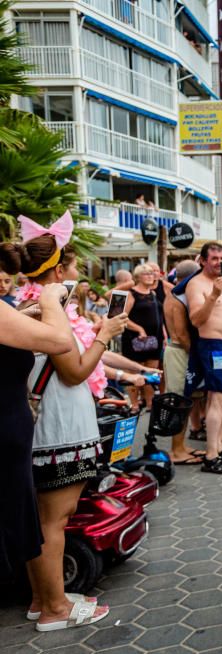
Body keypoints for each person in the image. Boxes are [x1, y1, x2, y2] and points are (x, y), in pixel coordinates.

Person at [8, 214, 130, 630]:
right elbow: (74, 371)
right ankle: (55, 609)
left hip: (51, 423)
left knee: (44, 518)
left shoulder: (29, 305)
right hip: (59, 428)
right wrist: (104, 334)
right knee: (53, 520)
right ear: (58, 270)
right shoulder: (48, 307)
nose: (79, 273)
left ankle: (44, 598)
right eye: (74, 265)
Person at [0, 232, 76, 621]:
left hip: (12, 428)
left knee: (21, 520)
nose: (2, 279)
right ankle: (51, 605)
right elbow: (61, 342)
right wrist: (49, 300)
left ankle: (42, 602)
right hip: (5, 430)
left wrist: (30, 312)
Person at [181, 242, 222, 474]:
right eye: (214, 259)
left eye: (221, 258)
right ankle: (211, 455)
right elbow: (197, 319)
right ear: (203, 261)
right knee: (220, 400)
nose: (219, 262)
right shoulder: (197, 285)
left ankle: (217, 446)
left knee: (219, 400)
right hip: (213, 346)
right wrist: (215, 294)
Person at [163, 260, 204, 464]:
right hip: (179, 352)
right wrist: (196, 356)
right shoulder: (177, 297)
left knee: (186, 401)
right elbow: (181, 333)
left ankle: (181, 445)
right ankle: (176, 449)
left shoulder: (175, 294)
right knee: (179, 400)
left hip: (179, 351)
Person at [122, 263, 164, 409]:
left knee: (151, 372)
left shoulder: (153, 293)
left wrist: (163, 334)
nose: (150, 276)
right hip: (135, 339)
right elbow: (122, 317)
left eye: (152, 273)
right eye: (146, 273)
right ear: (138, 277)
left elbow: (160, 316)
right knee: (133, 371)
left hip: (155, 338)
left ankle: (150, 402)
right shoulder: (131, 294)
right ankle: (134, 404)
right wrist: (139, 329)